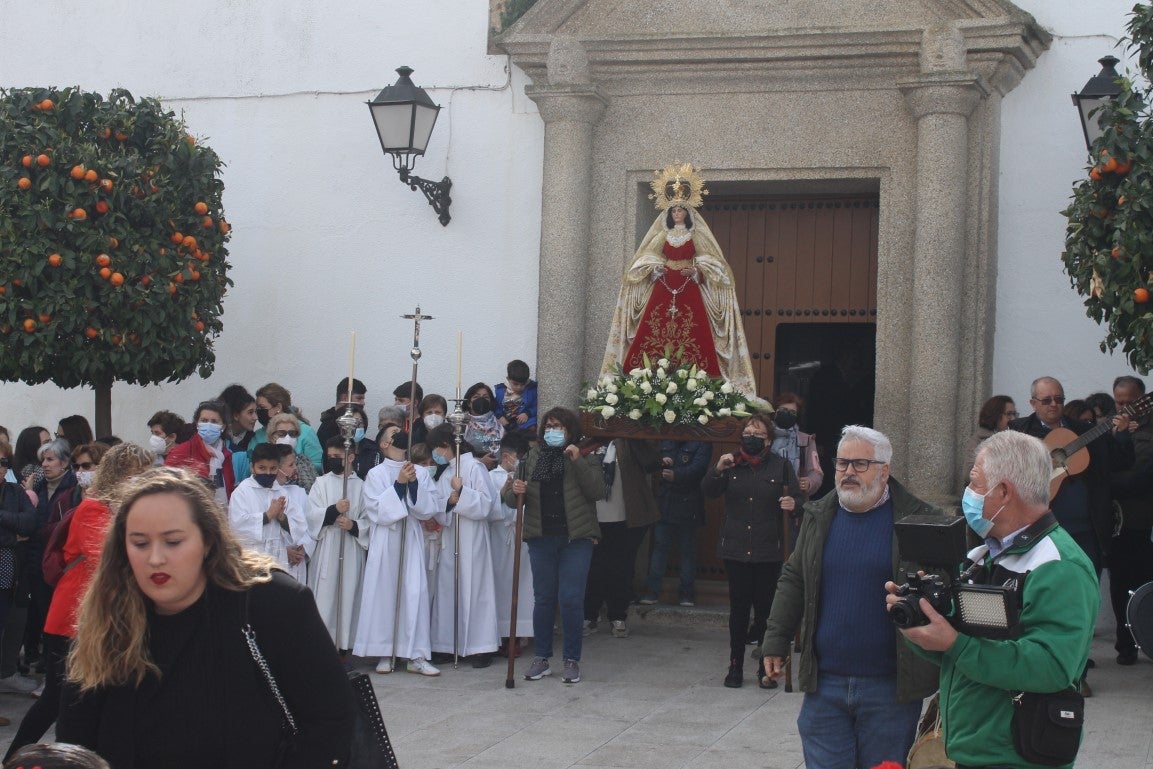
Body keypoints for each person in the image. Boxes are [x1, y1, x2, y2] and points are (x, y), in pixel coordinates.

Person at [56, 467, 353, 768]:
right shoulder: (108, 617)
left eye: (173, 541)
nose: (155, 558)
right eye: (140, 543)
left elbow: (330, 719)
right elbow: (76, 737)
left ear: (208, 541)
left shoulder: (273, 603)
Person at [888, 430, 1098, 769]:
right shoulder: (984, 556)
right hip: (977, 749)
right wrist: (919, 620)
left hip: (1020, 754)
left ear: (1003, 492)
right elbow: (960, 649)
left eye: (975, 483)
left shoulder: (1058, 565)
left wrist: (955, 643)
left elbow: (1051, 667)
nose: (968, 493)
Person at [760, 425, 939, 769]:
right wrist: (775, 641)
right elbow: (794, 579)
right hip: (825, 685)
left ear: (884, 471)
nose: (848, 472)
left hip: (890, 688)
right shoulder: (819, 515)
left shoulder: (920, 520)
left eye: (860, 464)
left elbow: (941, 593)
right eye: (842, 463)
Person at [5, 443, 153, 759]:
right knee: (60, 700)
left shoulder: (122, 510)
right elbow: (107, 560)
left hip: (95, 617)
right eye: (138, 473)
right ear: (120, 474)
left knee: (75, 699)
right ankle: (17, 758)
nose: (144, 479)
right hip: (71, 619)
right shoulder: (94, 508)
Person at [600, 165, 756, 397]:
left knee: (692, 327)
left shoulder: (696, 235)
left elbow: (711, 260)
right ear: (669, 214)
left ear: (688, 213)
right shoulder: (662, 235)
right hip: (663, 286)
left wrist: (697, 271)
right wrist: (654, 269)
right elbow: (648, 256)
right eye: (673, 210)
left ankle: (700, 379)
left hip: (688, 288)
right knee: (656, 327)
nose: (677, 214)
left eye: (681, 210)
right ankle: (644, 377)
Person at [504, 408, 602, 684]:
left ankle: (571, 659)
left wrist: (577, 461)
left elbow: (597, 491)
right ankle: (542, 658)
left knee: (571, 598)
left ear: (570, 430)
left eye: (558, 427)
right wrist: (514, 490)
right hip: (541, 536)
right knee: (544, 598)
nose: (552, 431)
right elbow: (511, 499)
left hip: (576, 538)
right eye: (548, 426)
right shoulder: (532, 457)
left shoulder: (586, 456)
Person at [704, 414, 802, 688]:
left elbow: (799, 499)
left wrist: (793, 504)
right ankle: (735, 664)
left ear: (768, 440)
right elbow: (709, 490)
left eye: (757, 435)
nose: (751, 439)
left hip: (767, 549)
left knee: (765, 611)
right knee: (738, 610)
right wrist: (717, 469)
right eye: (747, 434)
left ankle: (765, 667)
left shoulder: (781, 466)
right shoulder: (731, 464)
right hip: (736, 548)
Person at [353, 426, 440, 676]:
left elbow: (429, 508)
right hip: (386, 539)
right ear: (383, 444)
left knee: (414, 592)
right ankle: (386, 651)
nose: (398, 435)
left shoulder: (419, 471)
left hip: (410, 536)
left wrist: (413, 483)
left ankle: (416, 654)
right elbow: (377, 510)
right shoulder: (375, 474)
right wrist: (399, 484)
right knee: (385, 592)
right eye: (392, 434)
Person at [425, 424, 500, 667]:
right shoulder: (447, 471)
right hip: (451, 537)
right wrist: (449, 502)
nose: (435, 454)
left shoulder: (475, 467)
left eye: (436, 448)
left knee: (474, 587)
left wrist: (463, 491)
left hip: (472, 537)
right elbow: (438, 505)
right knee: (449, 588)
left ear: (446, 445)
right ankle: (448, 644)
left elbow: (488, 505)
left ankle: (480, 647)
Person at [583, 438, 661, 638]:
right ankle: (589, 615)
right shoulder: (585, 441)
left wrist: (634, 436)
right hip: (591, 518)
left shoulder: (628, 441)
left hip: (625, 517)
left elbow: (652, 462)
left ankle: (618, 615)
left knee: (621, 568)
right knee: (593, 568)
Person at [307, 437, 369, 655]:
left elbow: (370, 519)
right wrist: (333, 510)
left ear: (350, 457)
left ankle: (343, 648)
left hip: (350, 547)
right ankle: (323, 648)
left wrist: (353, 525)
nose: (332, 460)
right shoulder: (321, 483)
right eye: (330, 456)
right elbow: (311, 515)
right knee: (325, 598)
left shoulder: (362, 486)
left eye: (337, 456)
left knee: (348, 593)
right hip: (328, 544)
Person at [1108, 375, 1153, 666]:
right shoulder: (1108, 427)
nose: (1123, 408)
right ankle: (1125, 644)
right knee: (1119, 584)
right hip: (1116, 524)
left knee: (1144, 583)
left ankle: (1146, 639)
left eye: (1130, 402)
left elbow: (1137, 477)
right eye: (1119, 402)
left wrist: (1105, 483)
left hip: (1141, 520)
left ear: (1143, 400)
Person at [641, 439, 711, 607]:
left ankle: (686, 593)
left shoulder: (702, 441)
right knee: (660, 547)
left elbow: (699, 468)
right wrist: (660, 462)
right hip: (665, 501)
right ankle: (652, 591)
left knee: (687, 550)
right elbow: (648, 461)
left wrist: (676, 475)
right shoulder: (667, 438)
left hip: (689, 503)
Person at [228, 444, 311, 583]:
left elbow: (299, 526)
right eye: (262, 468)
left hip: (279, 558)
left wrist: (282, 518)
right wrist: (267, 516)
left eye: (273, 469)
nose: (268, 473)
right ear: (252, 467)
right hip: (253, 558)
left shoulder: (282, 492)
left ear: (278, 468)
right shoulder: (242, 492)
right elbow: (237, 527)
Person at [488, 433, 533, 656]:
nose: (521, 461)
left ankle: (519, 633)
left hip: (522, 536)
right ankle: (498, 634)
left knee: (523, 585)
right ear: (506, 456)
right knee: (500, 585)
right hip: (499, 538)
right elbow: (488, 508)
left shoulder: (527, 476)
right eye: (519, 457)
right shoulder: (490, 477)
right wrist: (503, 493)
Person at [0, 458, 36, 720]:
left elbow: (30, 523)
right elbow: (20, 530)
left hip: (9, 577)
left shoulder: (14, 492)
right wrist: (13, 537)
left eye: (3, 462)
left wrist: (2, 517)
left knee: (8, 626)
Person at [164, 401, 236, 504]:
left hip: (221, 512)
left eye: (214, 421)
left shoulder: (225, 456)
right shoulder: (181, 452)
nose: (209, 425)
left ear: (223, 426)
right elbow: (165, 486)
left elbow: (229, 490)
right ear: (197, 424)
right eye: (204, 420)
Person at [252, 383, 322, 473]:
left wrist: (291, 466)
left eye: (262, 407)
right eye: (257, 408)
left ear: (278, 407)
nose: (258, 412)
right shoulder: (257, 436)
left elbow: (318, 466)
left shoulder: (305, 432)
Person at [770, 393, 823, 497]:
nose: (787, 414)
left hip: (794, 498)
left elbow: (816, 472)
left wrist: (809, 482)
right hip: (766, 495)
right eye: (784, 410)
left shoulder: (806, 440)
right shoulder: (765, 435)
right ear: (775, 411)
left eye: (793, 412)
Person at [962, 395, 1017, 480]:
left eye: (1014, 414)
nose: (1013, 418)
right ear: (995, 415)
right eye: (1009, 414)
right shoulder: (979, 439)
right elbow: (968, 474)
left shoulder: (1015, 438)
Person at [266, 412, 317, 492]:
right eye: (282, 434)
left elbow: (317, 487)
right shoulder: (266, 462)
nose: (288, 437)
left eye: (292, 433)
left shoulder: (304, 460)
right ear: (272, 437)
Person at [217, 384, 258, 481]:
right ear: (235, 415)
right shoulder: (218, 438)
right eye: (250, 412)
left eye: (255, 412)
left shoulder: (254, 440)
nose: (256, 417)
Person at [316, 377, 368, 447]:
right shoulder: (327, 428)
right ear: (345, 398)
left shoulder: (360, 419)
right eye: (359, 398)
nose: (363, 403)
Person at [463, 382, 503, 469]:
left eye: (485, 397)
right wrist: (480, 461)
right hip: (473, 471)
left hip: (496, 472)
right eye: (476, 397)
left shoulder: (499, 423)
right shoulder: (461, 424)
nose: (481, 400)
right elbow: (455, 455)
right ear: (469, 403)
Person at [495, 359, 539, 434]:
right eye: (515, 384)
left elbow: (536, 406)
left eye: (523, 384)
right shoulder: (501, 391)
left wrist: (527, 413)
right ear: (508, 379)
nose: (519, 387)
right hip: (506, 421)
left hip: (523, 421)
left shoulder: (531, 391)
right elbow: (496, 407)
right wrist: (499, 416)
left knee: (532, 426)